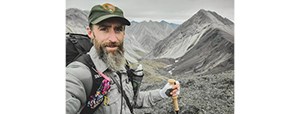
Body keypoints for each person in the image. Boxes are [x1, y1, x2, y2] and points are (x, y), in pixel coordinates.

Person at [66, 3, 180, 114]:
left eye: (118, 29)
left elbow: (130, 99)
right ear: (90, 33)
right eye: (104, 29)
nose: (113, 38)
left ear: (124, 33)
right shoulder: (78, 74)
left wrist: (162, 93)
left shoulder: (120, 65)